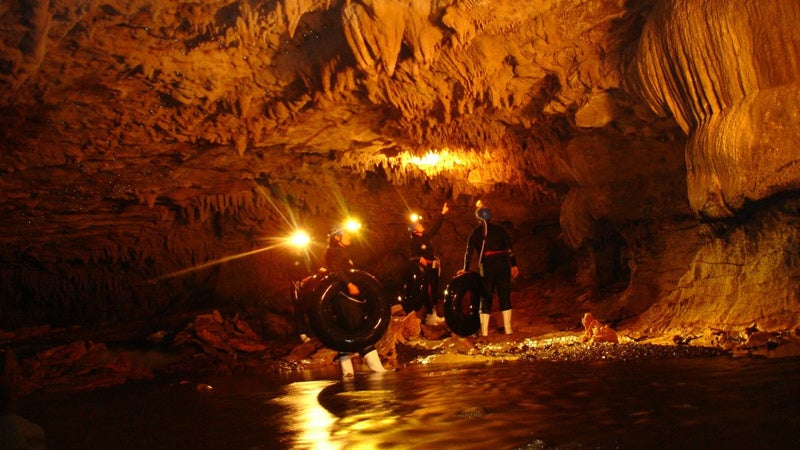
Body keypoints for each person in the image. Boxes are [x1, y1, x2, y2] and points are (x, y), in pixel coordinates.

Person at [325, 222, 388, 378]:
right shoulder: (333, 252)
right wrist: (349, 283)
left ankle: (347, 373)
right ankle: (377, 369)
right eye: (346, 234)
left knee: (347, 331)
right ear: (337, 237)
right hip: (344, 298)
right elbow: (336, 270)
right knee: (360, 330)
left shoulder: (343, 252)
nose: (349, 236)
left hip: (348, 299)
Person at [459, 202, 519, 336]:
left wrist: (465, 269)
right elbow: (509, 249)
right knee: (504, 295)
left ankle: (485, 332)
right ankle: (508, 330)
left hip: (487, 266)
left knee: (486, 296)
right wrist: (513, 265)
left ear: (478, 218)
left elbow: (468, 252)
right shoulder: (500, 230)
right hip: (503, 264)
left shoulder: (475, 233)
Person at [408, 202, 449, 325]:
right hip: (425, 269)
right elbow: (411, 256)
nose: (421, 225)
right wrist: (419, 257)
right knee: (428, 291)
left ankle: (435, 313)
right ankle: (429, 315)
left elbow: (436, 227)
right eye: (419, 225)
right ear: (415, 230)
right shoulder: (414, 241)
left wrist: (442, 214)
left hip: (433, 266)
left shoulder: (425, 236)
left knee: (435, 289)